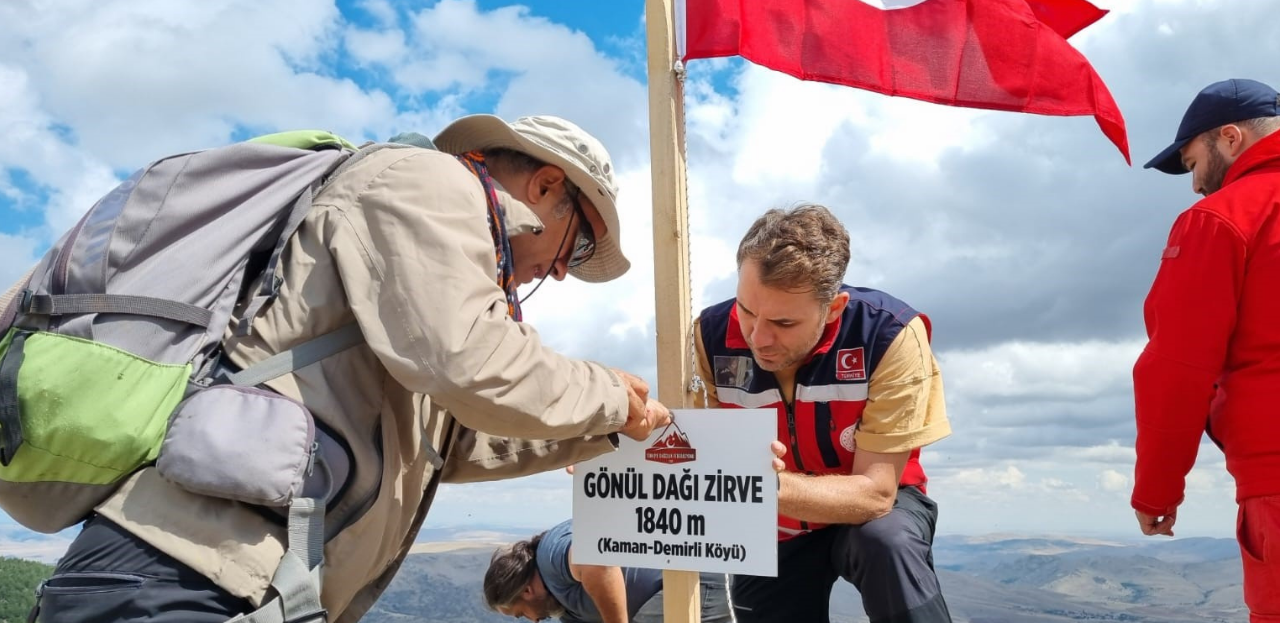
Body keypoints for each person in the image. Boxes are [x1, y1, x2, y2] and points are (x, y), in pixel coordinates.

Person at [12, 114, 672, 623]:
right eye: (579, 241)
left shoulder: (432, 283)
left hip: (222, 579)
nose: (563, 268)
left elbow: (454, 439)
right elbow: (469, 363)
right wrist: (610, 395)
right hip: (184, 573)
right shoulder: (431, 184)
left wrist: (610, 429)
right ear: (547, 184)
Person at [693, 204, 953, 623]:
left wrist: (761, 484)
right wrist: (615, 447)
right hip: (775, 522)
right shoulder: (707, 335)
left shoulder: (889, 335)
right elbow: (688, 445)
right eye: (746, 310)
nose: (758, 338)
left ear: (833, 308)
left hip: (872, 511)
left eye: (783, 322)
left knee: (887, 546)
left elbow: (876, 493)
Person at [1134, 78, 1280, 622]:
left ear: (1230, 137)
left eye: (1194, 163)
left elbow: (1176, 370)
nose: (1195, 185)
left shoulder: (1221, 219)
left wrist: (1156, 493)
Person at [483, 519, 732, 623]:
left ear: (526, 590)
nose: (533, 620)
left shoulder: (550, 556)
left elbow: (597, 561)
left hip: (693, 580)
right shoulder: (565, 608)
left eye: (520, 614)